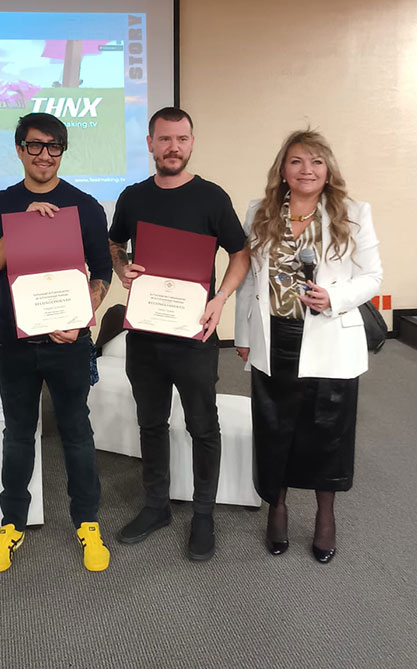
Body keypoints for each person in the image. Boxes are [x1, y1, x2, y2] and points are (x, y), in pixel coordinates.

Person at [0, 112, 113, 573]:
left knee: (76, 432)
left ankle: (87, 522)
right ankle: (11, 524)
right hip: (13, 341)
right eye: (35, 146)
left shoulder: (86, 207)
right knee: (18, 434)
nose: (44, 155)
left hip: (68, 342)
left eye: (53, 147)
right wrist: (19, 230)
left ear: (62, 152)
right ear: (19, 150)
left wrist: (83, 318)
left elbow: (102, 273)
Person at [234, 129, 382, 563]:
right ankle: (276, 508)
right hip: (274, 339)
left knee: (327, 434)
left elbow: (372, 276)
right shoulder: (260, 212)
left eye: (316, 162)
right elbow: (247, 282)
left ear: (328, 169)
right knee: (275, 428)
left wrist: (334, 298)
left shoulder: (352, 213)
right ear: (283, 168)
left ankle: (324, 516)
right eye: (297, 161)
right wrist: (243, 336)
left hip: (329, 339)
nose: (307, 170)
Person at [108, 107, 249, 561]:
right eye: (165, 139)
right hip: (145, 336)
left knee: (202, 425)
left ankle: (203, 514)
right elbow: (115, 242)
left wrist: (220, 297)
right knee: (151, 422)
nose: (173, 147)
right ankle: (156, 506)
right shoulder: (132, 197)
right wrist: (121, 266)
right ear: (150, 143)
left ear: (192, 143)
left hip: (193, 334)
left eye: (182, 139)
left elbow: (240, 254)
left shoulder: (211, 198)